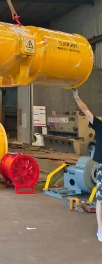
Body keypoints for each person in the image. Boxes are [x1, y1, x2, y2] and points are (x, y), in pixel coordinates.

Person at [73, 88, 102, 242]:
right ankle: (100, 229)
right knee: (101, 199)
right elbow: (85, 110)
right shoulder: (99, 125)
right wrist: (77, 97)